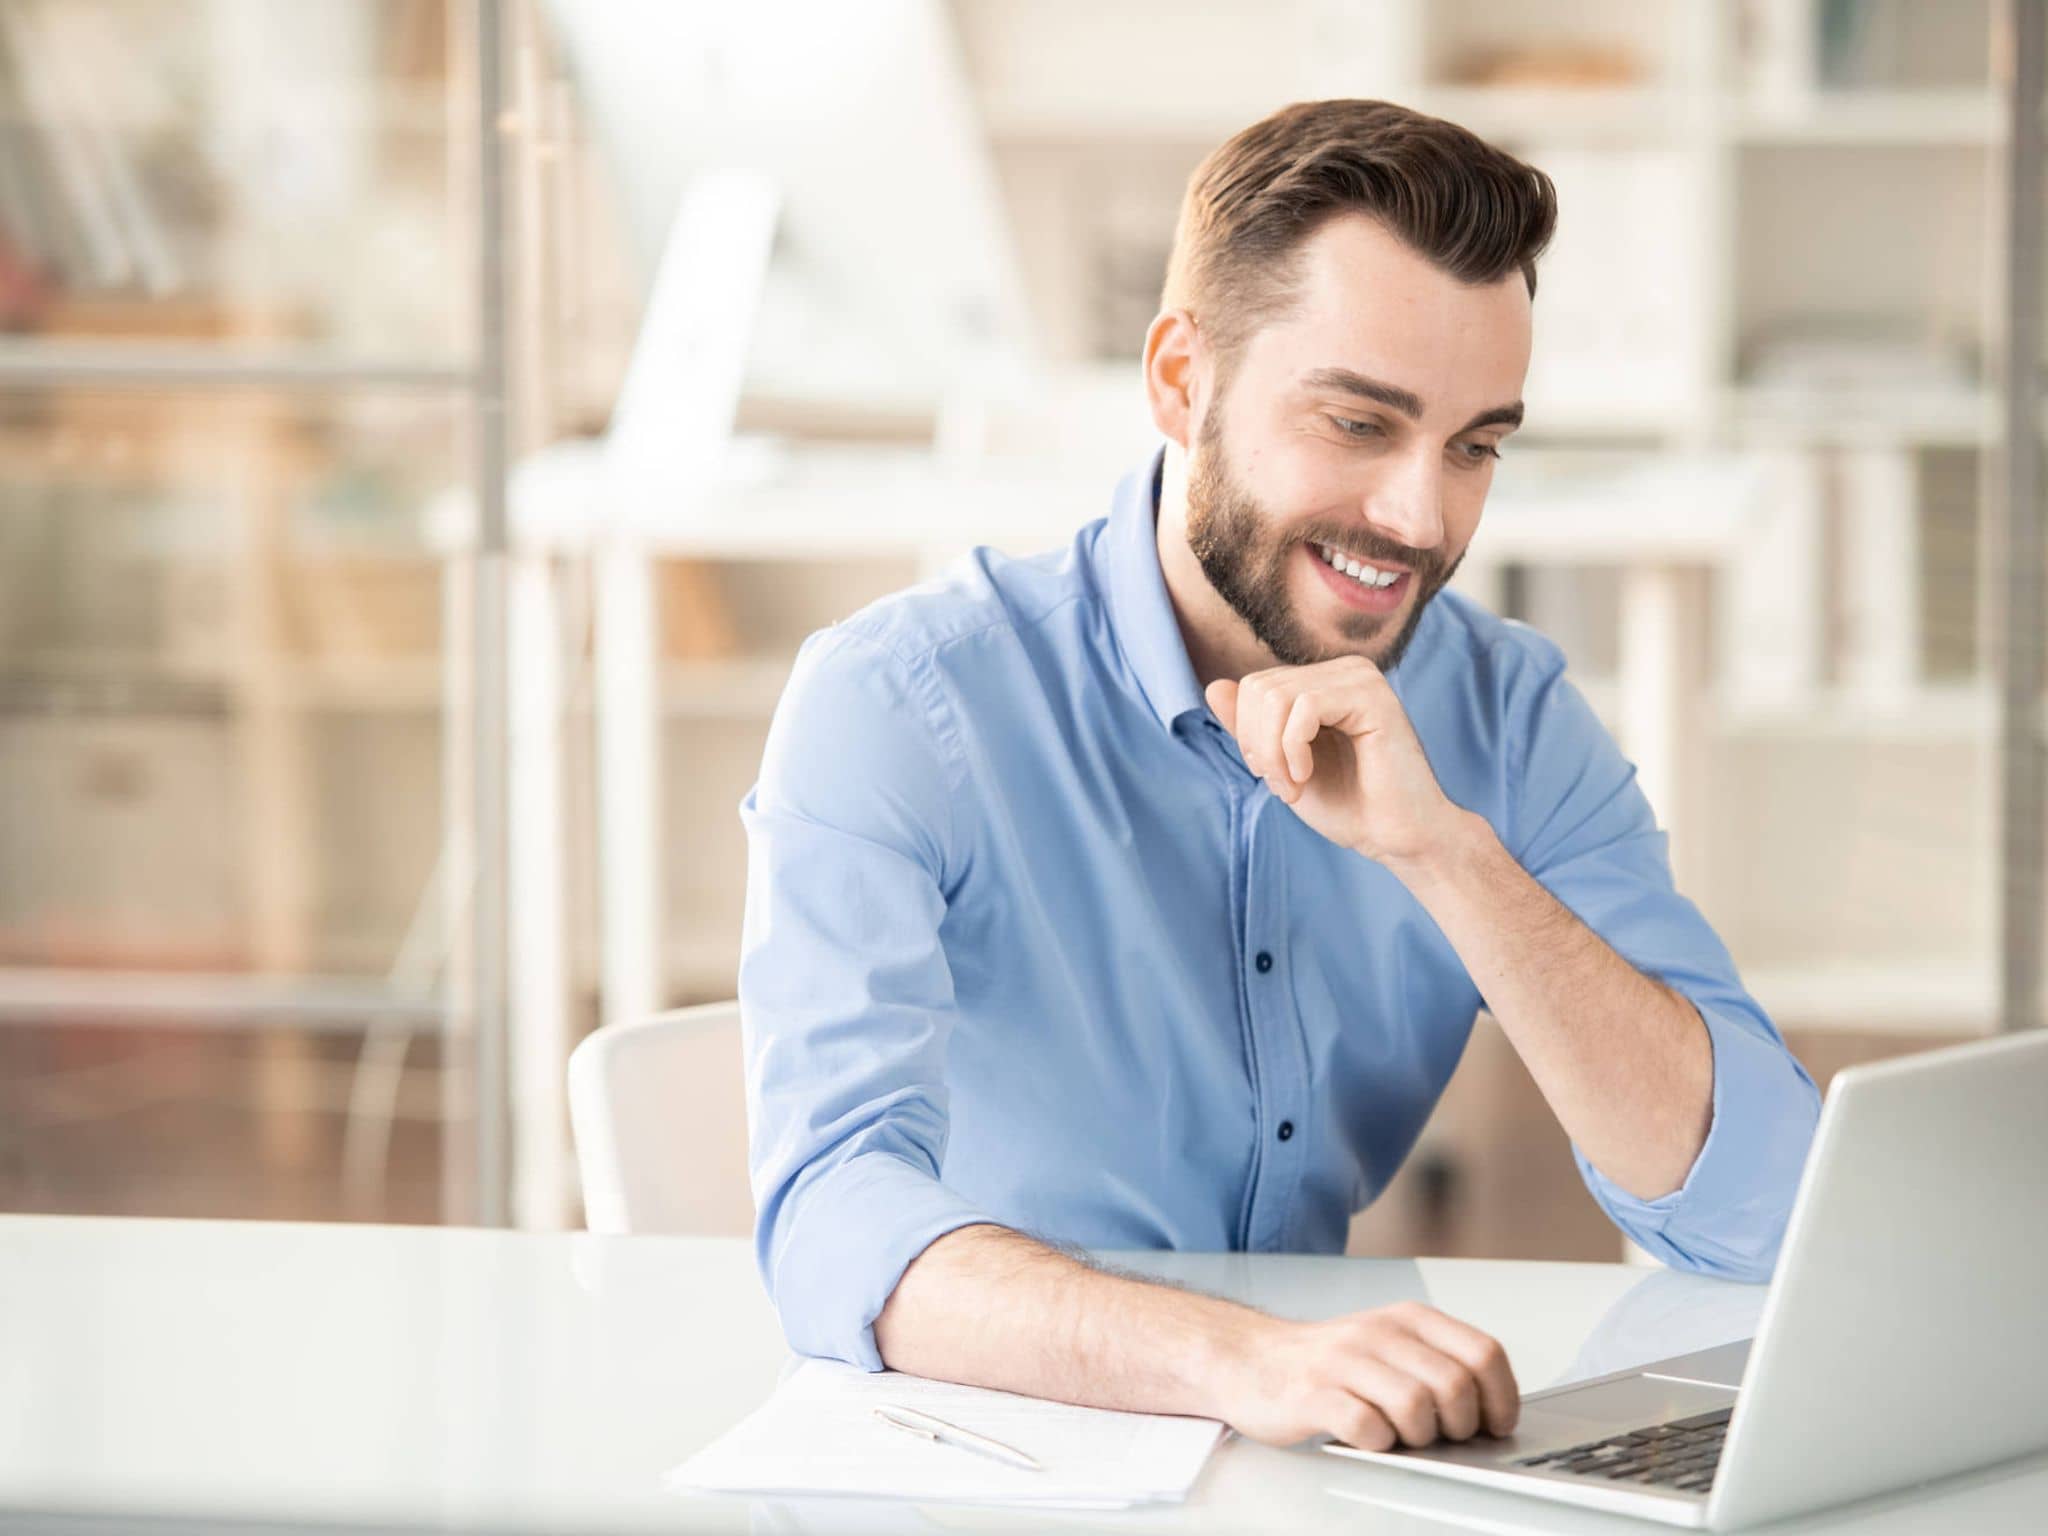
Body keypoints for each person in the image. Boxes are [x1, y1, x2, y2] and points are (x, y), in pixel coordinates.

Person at [736, 98, 1820, 1454]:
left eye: (1476, 444)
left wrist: (1447, 855)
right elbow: (834, 1221)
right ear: (1181, 381)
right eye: (1360, 424)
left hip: (1305, 1464)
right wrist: (1239, 1362)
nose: (1424, 519)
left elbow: (1767, 1208)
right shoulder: (903, 702)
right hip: (983, 1451)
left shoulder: (1507, 714)